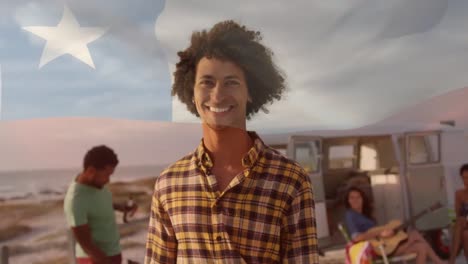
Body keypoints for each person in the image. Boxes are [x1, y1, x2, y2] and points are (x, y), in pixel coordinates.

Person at [144, 20, 319, 263]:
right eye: (207, 82)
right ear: (191, 92)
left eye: (231, 82)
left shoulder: (290, 181)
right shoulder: (169, 183)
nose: (217, 94)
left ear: (251, 91)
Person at [64, 145, 137, 264]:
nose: (108, 180)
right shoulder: (76, 199)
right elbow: (86, 244)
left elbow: (98, 204)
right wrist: (105, 261)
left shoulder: (96, 184)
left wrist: (121, 207)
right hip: (96, 260)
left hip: (113, 253)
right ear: (91, 171)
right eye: (107, 175)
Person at [344, 186, 447, 264]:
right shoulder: (350, 215)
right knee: (414, 234)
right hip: (375, 251)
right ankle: (440, 262)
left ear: (363, 199)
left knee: (422, 247)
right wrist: (380, 233)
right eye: (352, 198)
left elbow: (380, 232)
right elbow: (357, 237)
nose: (355, 200)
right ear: (348, 201)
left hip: (384, 245)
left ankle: (439, 262)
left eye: (358, 197)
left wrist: (388, 232)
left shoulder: (365, 215)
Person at [449, 163, 468, 263]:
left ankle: (451, 260)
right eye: (464, 178)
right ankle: (452, 259)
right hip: (463, 224)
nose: (466, 181)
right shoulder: (459, 193)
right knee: (463, 230)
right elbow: (457, 213)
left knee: (464, 232)